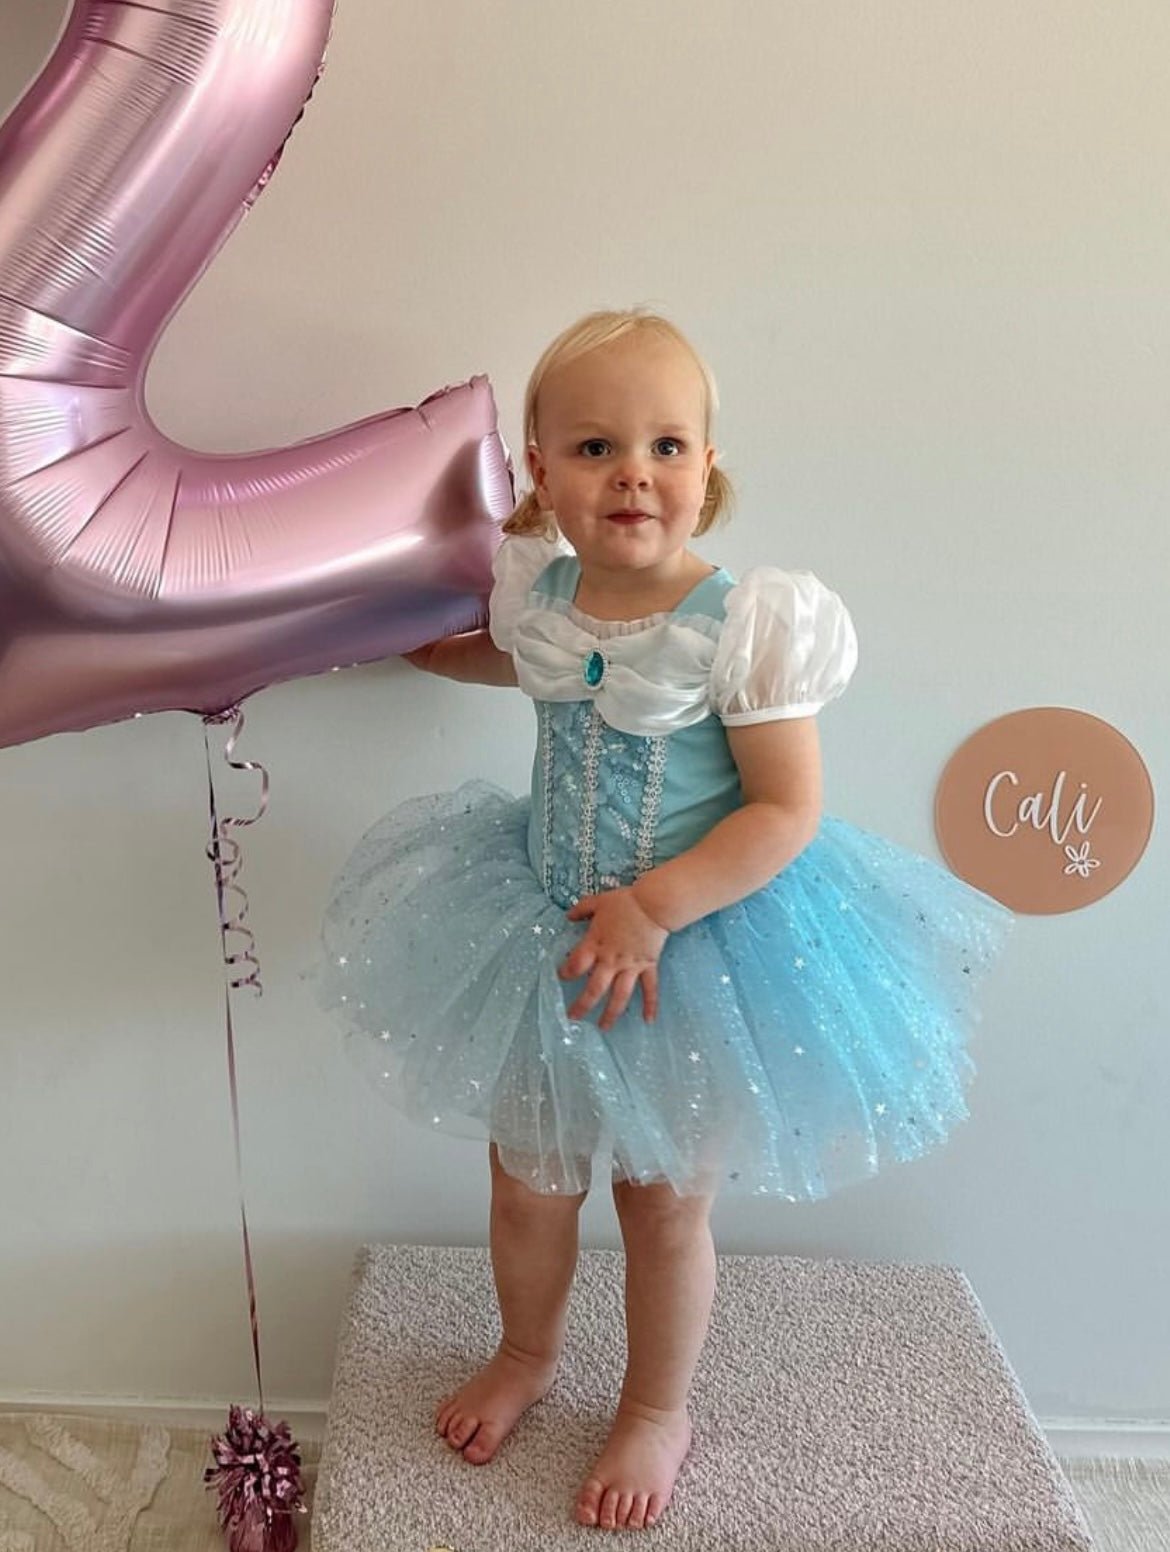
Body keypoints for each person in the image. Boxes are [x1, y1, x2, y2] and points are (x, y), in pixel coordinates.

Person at [315, 308, 1013, 1532]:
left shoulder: (746, 624)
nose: (633, 472)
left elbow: (787, 809)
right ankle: (527, 1352)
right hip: (542, 937)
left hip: (690, 956)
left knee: (662, 1200)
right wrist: (407, 645)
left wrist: (657, 905)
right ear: (542, 471)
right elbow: (516, 660)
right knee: (527, 1184)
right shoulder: (545, 596)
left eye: (666, 445)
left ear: (708, 465)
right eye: (595, 448)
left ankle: (654, 1406)